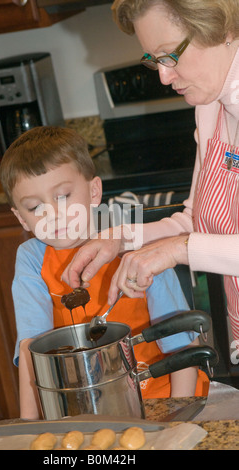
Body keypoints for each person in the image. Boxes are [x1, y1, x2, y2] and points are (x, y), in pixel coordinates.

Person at [62, 0, 239, 349]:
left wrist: (176, 251)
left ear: (225, 30)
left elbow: (188, 243)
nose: (163, 75)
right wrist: (120, 238)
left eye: (170, 54)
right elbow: (197, 222)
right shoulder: (209, 107)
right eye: (153, 59)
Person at [0, 126, 207, 419]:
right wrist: (29, 426)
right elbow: (33, 350)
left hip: (164, 395)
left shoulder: (137, 245)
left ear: (94, 190)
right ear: (21, 217)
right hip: (89, 409)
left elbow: (181, 342)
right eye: (35, 207)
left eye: (63, 196)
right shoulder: (32, 258)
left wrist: (177, 417)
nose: (53, 215)